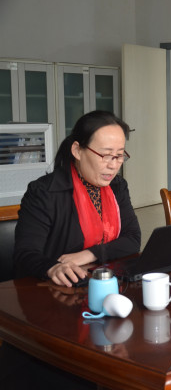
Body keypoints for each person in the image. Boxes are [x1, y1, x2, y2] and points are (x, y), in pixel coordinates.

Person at [13, 110, 141, 287]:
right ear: (77, 151)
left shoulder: (117, 186)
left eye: (119, 155)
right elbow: (25, 254)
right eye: (105, 155)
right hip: (59, 289)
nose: (113, 165)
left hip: (105, 282)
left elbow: (133, 239)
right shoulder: (44, 192)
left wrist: (91, 254)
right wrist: (52, 268)